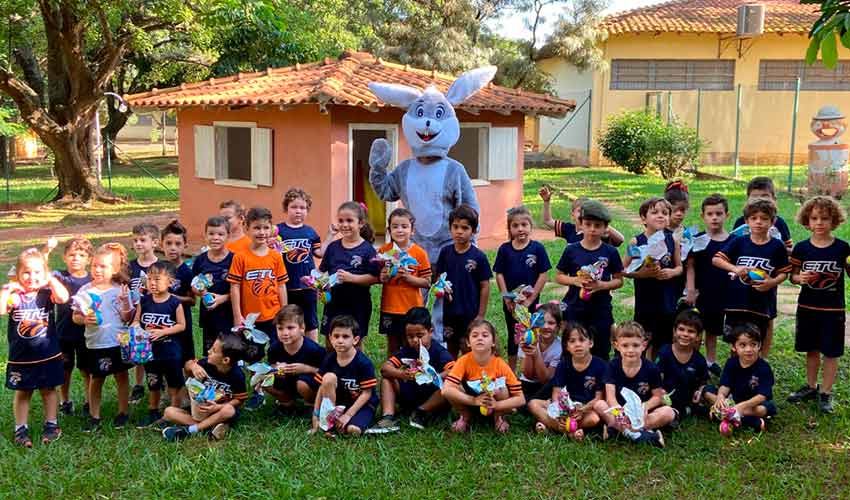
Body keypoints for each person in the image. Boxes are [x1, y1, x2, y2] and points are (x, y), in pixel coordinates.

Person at [1, 248, 70, 447]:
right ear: (18, 274)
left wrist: (51, 280)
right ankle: (20, 429)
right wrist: (8, 289)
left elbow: (64, 298)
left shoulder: (48, 293)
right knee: (23, 392)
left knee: (48, 389)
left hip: (47, 354)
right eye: (27, 272)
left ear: (45, 273)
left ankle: (52, 424)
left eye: (37, 272)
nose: (32, 277)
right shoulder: (15, 296)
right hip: (21, 357)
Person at [787, 196, 849, 413]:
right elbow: (792, 276)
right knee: (811, 349)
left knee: (831, 352)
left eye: (825, 218)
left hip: (833, 310)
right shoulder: (802, 249)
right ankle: (811, 387)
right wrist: (799, 278)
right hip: (808, 308)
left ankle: (826, 392)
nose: (819, 223)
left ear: (835, 221)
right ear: (807, 221)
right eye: (814, 218)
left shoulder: (842, 249)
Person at [712, 198, 790, 357]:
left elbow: (784, 272)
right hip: (737, 303)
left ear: (773, 221)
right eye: (754, 218)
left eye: (764, 218)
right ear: (747, 221)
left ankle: (755, 373)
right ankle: (734, 372)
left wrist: (772, 282)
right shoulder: (739, 242)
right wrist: (735, 268)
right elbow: (716, 259)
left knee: (755, 343)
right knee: (736, 342)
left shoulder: (777, 246)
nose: (758, 222)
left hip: (760, 305)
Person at [72, 243, 134, 432]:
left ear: (115, 269)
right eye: (95, 265)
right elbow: (75, 317)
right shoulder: (84, 291)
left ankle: (123, 412)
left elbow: (127, 318)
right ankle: (94, 416)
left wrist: (125, 304)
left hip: (118, 342)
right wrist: (84, 319)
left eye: (103, 266)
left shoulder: (120, 290)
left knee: (122, 376)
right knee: (96, 379)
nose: (97, 270)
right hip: (95, 344)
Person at [555, 200, 624, 359]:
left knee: (600, 350)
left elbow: (619, 280)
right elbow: (558, 275)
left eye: (598, 225)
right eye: (588, 224)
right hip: (575, 308)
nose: (592, 229)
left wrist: (602, 285)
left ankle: (601, 383)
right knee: (573, 350)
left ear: (605, 228)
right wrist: (575, 281)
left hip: (601, 310)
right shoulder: (571, 250)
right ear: (581, 225)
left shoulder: (610, 252)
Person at [373, 307, 454, 433]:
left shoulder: (438, 352)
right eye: (410, 336)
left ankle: (421, 412)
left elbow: (453, 370)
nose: (415, 340)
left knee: (449, 385)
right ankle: (388, 418)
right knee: (387, 379)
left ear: (430, 332)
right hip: (410, 393)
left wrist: (435, 376)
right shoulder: (407, 350)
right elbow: (385, 368)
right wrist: (401, 374)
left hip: (432, 396)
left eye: (420, 335)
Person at [595, 321, 673, 448]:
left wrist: (643, 408)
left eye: (635, 345)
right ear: (616, 345)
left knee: (668, 412)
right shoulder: (612, 366)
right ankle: (642, 436)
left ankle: (617, 430)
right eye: (625, 345)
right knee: (599, 404)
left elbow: (657, 397)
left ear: (644, 345)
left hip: (641, 414)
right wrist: (621, 414)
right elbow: (610, 398)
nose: (630, 350)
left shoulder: (652, 368)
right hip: (620, 412)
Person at [161, 333, 250, 441]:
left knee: (229, 410)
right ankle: (211, 427)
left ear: (225, 360)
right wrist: (193, 366)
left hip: (219, 412)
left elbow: (240, 399)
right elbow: (187, 365)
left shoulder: (237, 375)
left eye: (213, 350)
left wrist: (218, 407)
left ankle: (191, 430)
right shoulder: (205, 364)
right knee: (169, 412)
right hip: (198, 410)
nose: (208, 351)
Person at [623, 197, 682, 360]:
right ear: (643, 218)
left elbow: (679, 267)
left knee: (661, 341)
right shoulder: (637, 241)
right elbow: (622, 270)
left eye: (665, 213)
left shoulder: (673, 240)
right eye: (654, 212)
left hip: (667, 302)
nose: (660, 216)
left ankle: (654, 371)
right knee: (643, 339)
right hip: (646, 302)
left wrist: (671, 272)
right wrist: (641, 274)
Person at [442, 319, 525, 434]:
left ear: (493, 342)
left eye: (485, 335)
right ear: (468, 342)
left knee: (503, 390)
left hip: (494, 403)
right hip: (471, 403)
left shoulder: (500, 364)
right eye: (475, 335)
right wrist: (474, 400)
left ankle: (498, 418)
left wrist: (497, 405)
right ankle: (465, 417)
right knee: (455, 388)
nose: (480, 338)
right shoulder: (463, 361)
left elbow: (521, 399)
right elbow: (446, 390)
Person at [494, 205, 551, 370]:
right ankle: (512, 371)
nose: (520, 229)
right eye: (515, 225)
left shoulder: (537, 248)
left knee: (531, 335)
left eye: (524, 225)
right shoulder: (505, 250)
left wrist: (531, 299)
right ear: (510, 228)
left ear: (530, 226)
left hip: (531, 304)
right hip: (511, 305)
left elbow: (543, 274)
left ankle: (531, 370)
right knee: (514, 335)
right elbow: (499, 274)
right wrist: (506, 298)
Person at [527, 322, 606, 440]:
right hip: (565, 406)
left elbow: (599, 398)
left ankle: (553, 427)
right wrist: (561, 413)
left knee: (594, 419)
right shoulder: (563, 365)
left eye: (582, 340)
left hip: (585, 408)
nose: (577, 344)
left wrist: (583, 410)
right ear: (567, 346)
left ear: (591, 343)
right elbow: (556, 393)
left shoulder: (601, 365)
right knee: (533, 404)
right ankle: (568, 430)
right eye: (572, 341)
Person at [318, 202, 380, 347]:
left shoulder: (367, 250)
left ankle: (356, 368)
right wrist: (320, 285)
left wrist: (352, 278)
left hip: (358, 304)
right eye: (340, 221)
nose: (344, 224)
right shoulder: (333, 248)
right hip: (334, 303)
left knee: (354, 342)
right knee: (331, 340)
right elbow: (322, 273)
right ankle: (331, 367)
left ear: (361, 223)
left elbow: (376, 278)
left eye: (349, 220)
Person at [132, 261, 186, 428]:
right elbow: (136, 320)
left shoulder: (175, 303)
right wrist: (135, 328)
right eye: (149, 279)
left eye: (157, 279)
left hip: (170, 352)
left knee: (174, 384)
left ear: (170, 282)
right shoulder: (145, 301)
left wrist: (164, 332)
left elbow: (181, 325)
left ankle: (173, 412)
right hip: (150, 352)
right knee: (153, 382)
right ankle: (153, 411)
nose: (152, 283)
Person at [435, 204, 492, 357]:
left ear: (473, 231)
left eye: (465, 228)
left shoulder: (479, 256)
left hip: (471, 314)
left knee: (469, 350)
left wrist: (480, 315)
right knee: (451, 350)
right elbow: (439, 279)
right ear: (450, 228)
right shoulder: (445, 253)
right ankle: (454, 379)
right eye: (456, 227)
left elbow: (485, 286)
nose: (459, 231)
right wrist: (441, 288)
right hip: (450, 313)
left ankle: (470, 379)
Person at [685, 194, 731, 375]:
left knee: (713, 330)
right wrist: (690, 289)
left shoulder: (733, 241)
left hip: (721, 294)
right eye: (710, 214)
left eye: (719, 213)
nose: (714, 218)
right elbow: (690, 266)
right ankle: (693, 361)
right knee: (696, 330)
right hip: (699, 293)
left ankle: (711, 361)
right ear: (702, 216)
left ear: (727, 215)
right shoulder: (697, 239)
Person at [227, 206, 289, 344]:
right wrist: (238, 315)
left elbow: (281, 285)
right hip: (249, 319)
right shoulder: (240, 257)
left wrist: (284, 312)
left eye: (266, 228)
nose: (262, 232)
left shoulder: (276, 256)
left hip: (274, 315)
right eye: (257, 228)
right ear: (247, 228)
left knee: (276, 351)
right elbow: (235, 287)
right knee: (251, 355)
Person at [309, 315, 378, 436]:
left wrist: (348, 415)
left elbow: (367, 393)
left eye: (345, 336)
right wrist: (315, 415)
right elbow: (322, 388)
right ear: (330, 338)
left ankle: (343, 424)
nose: (340, 340)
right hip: (339, 404)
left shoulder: (364, 363)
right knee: (329, 377)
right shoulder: (329, 359)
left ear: (355, 340)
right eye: (336, 336)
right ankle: (328, 421)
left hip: (361, 405)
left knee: (353, 430)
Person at [377, 208, 431, 357]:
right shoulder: (384, 251)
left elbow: (427, 282)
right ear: (389, 230)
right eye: (395, 226)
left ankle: (412, 375)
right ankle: (393, 376)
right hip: (390, 307)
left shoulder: (419, 253)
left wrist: (409, 278)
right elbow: (379, 277)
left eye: (404, 226)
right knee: (393, 345)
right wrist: (383, 276)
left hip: (412, 308)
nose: (400, 230)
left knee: (412, 344)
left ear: (412, 230)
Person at [703, 323, 777, 433]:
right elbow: (725, 385)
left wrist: (742, 406)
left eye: (753, 344)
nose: (749, 349)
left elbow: (762, 396)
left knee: (764, 409)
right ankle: (742, 419)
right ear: (734, 347)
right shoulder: (731, 363)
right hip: (733, 400)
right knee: (707, 391)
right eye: (743, 345)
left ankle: (724, 415)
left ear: (759, 345)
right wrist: (720, 396)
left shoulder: (764, 368)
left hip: (752, 405)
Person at [276, 188, 324, 341]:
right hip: (285, 286)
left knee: (310, 322)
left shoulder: (310, 232)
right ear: (286, 208)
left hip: (307, 287)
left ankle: (313, 352)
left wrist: (331, 235)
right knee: (286, 321)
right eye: (294, 207)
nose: (298, 211)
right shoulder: (278, 231)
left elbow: (320, 253)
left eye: (302, 208)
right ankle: (288, 351)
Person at [54, 237, 93, 417]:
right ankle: (65, 400)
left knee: (87, 369)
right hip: (63, 332)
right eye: (71, 254)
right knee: (65, 368)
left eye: (81, 255)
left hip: (87, 333)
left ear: (89, 259)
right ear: (64, 257)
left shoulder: (93, 279)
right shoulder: (60, 277)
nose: (76, 258)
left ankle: (88, 400)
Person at [263, 305, 324, 412]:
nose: (285, 333)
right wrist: (276, 369)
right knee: (264, 379)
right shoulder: (274, 348)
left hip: (308, 383)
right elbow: (271, 365)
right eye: (280, 328)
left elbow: (327, 373)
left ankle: (311, 402)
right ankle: (286, 402)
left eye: (290, 328)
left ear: (302, 328)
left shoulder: (314, 350)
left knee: (302, 384)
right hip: (286, 380)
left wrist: (306, 369)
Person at [656, 309, 709, 422]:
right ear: (674, 331)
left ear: (698, 336)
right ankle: (677, 413)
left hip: (687, 399)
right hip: (665, 398)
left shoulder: (699, 360)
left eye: (691, 331)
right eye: (681, 329)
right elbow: (657, 377)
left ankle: (685, 410)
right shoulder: (664, 352)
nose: (685, 334)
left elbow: (703, 382)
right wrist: (660, 390)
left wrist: (699, 391)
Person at [191, 216, 233, 353]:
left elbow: (241, 289)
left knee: (228, 351)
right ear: (205, 235)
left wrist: (222, 298)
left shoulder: (234, 259)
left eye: (220, 234)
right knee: (210, 352)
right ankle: (211, 374)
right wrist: (200, 292)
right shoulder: (200, 260)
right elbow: (194, 284)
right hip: (208, 314)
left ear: (228, 236)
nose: (215, 238)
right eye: (211, 233)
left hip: (228, 314)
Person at [128, 223, 159, 404]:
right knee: (138, 352)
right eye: (135, 240)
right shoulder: (130, 267)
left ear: (154, 242)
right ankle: (138, 385)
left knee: (157, 349)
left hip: (156, 314)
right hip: (135, 317)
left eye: (143, 240)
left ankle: (158, 381)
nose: (138, 244)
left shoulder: (160, 266)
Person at [161, 220, 196, 367]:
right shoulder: (158, 269)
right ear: (161, 244)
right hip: (161, 321)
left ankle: (187, 386)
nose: (173, 248)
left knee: (185, 359)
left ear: (185, 246)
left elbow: (193, 300)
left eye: (177, 244)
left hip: (182, 322)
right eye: (168, 243)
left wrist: (174, 299)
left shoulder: (187, 272)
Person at [538, 186, 624, 246]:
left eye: (587, 211)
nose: (583, 214)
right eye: (579, 211)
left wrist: (603, 223)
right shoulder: (569, 229)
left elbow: (620, 240)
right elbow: (548, 221)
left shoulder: (596, 231)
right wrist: (546, 202)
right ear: (572, 215)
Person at [517, 302, 562, 399]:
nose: (545, 326)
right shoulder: (527, 338)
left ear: (558, 326)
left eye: (551, 323)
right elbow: (528, 375)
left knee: (552, 391)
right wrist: (529, 352)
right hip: (526, 382)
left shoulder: (560, 347)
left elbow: (545, 379)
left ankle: (528, 403)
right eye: (542, 322)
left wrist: (536, 354)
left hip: (545, 385)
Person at [664, 180, 690, 302]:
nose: (679, 214)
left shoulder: (688, 233)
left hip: (682, 282)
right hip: (664, 281)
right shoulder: (659, 234)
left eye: (683, 210)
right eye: (675, 210)